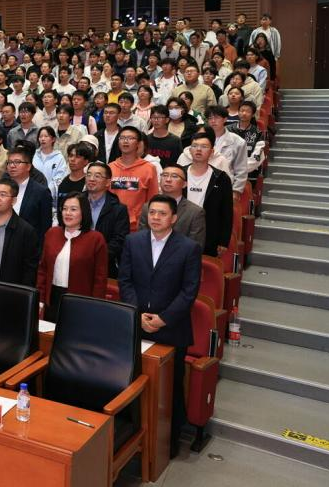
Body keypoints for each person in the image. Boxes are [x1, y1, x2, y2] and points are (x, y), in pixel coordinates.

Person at [119, 194, 202, 459]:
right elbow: (125, 281)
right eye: (152, 212)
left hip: (171, 328)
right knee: (132, 381)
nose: (155, 217)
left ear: (174, 218)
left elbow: (189, 292)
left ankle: (170, 440)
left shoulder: (188, 248)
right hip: (137, 324)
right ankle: (132, 435)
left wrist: (164, 318)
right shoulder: (133, 241)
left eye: (162, 213)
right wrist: (138, 314)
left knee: (170, 388)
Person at [36, 192, 108, 322]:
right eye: (64, 209)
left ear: (84, 212)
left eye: (73, 209)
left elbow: (100, 279)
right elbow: (43, 270)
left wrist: (96, 306)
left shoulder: (96, 239)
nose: (67, 213)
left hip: (81, 302)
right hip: (52, 298)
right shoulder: (52, 233)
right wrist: (40, 299)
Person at [0, 178, 40, 286]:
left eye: (2, 195)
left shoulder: (26, 231)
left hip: (9, 291)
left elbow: (29, 271)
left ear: (13, 201)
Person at [181, 131, 234, 256]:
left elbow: (227, 211)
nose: (198, 149)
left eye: (204, 146)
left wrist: (223, 241)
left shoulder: (221, 178)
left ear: (212, 151)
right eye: (195, 146)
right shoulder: (180, 173)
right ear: (190, 150)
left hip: (209, 232)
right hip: (180, 229)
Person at [139, 164, 206, 249]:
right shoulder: (147, 207)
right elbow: (141, 240)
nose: (168, 179)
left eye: (174, 176)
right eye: (164, 175)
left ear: (184, 184)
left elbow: (196, 247)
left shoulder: (195, 212)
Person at [85, 161, 131, 278]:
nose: (91, 179)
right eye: (89, 175)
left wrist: (97, 256)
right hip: (76, 261)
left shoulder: (118, 209)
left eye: (97, 176)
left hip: (105, 265)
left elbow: (119, 240)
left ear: (107, 182)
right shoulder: (76, 202)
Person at [109, 127, 159, 231]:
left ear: (138, 144)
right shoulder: (110, 168)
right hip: (112, 224)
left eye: (130, 138)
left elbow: (152, 200)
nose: (125, 141)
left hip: (137, 226)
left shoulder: (149, 168)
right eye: (122, 138)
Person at [4, 145, 53, 237]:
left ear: (28, 166)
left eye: (17, 162)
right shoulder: (2, 188)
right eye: (9, 162)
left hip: (29, 242)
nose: (12, 166)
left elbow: (45, 227)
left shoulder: (41, 192)